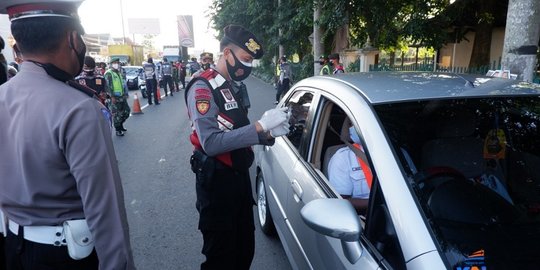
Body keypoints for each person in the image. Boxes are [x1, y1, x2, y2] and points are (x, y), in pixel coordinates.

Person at [0, 1, 136, 269]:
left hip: (14, 248)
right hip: (66, 256)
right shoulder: (79, 108)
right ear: (73, 38)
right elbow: (104, 211)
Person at [185, 24, 290, 270]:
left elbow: (236, 130)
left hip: (240, 178)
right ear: (226, 54)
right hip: (216, 182)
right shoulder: (203, 87)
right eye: (245, 59)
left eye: (251, 61)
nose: (248, 66)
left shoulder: (233, 86)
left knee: (244, 252)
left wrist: (267, 134)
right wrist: (260, 127)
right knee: (221, 258)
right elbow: (210, 143)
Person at [328, 123, 372, 215]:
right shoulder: (343, 157)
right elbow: (340, 202)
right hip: (364, 218)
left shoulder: (399, 155)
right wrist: (376, 203)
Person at [105, 57, 131, 136]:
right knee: (117, 115)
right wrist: (112, 96)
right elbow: (107, 86)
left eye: (118, 63)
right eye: (115, 63)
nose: (117, 64)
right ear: (111, 64)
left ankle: (120, 125)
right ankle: (118, 130)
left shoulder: (118, 72)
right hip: (114, 98)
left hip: (121, 96)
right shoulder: (109, 73)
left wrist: (126, 93)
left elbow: (123, 84)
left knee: (126, 111)